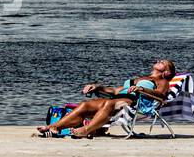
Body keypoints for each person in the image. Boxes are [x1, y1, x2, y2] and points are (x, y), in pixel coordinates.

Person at [35, 59, 177, 138]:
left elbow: (161, 96)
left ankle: (86, 130)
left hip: (134, 103)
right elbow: (115, 90)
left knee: (109, 104)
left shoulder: (162, 82)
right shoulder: (142, 77)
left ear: (167, 72)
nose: (158, 60)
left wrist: (142, 89)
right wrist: (97, 87)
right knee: (86, 105)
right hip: (119, 97)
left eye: (162, 62)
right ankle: (54, 127)